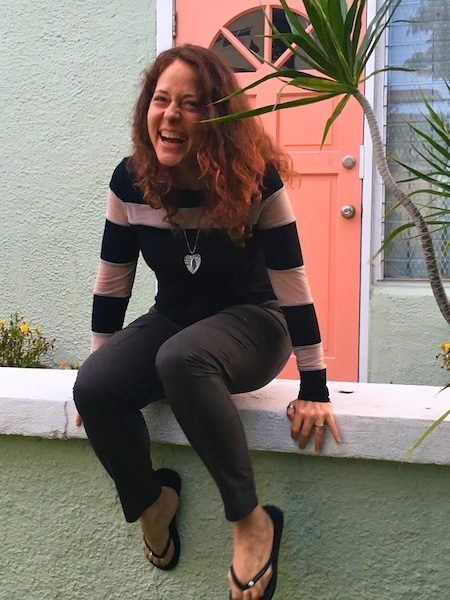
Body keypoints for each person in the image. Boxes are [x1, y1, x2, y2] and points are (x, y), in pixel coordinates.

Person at [73, 44, 341, 600]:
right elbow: (113, 282)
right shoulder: (131, 181)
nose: (170, 115)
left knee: (182, 359)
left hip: (257, 322)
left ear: (217, 118)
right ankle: (153, 504)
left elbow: (293, 286)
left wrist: (314, 385)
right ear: (146, 108)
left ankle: (250, 520)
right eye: (161, 100)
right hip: (175, 318)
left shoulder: (256, 180)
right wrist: (103, 364)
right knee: (94, 386)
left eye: (191, 104)